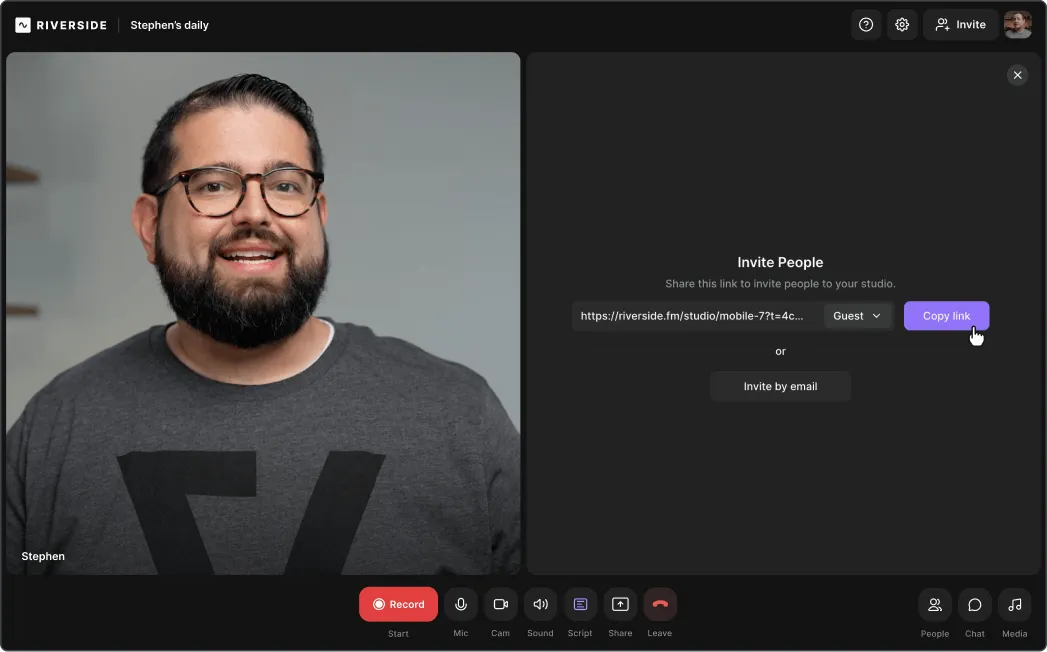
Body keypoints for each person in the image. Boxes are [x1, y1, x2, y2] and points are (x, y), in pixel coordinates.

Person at [5, 74, 520, 575]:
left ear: (318, 214)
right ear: (149, 226)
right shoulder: (55, 429)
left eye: (286, 185)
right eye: (212, 184)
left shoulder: (459, 416)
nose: (255, 213)